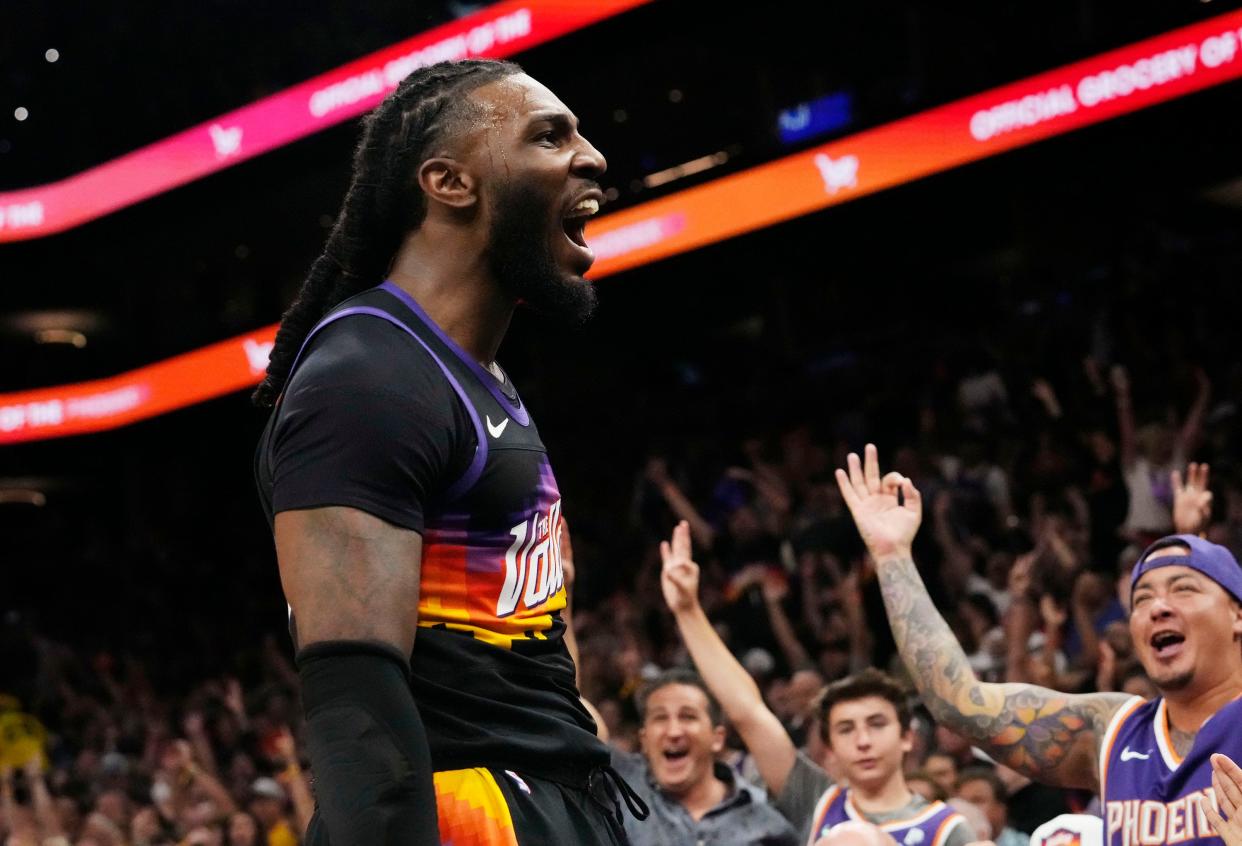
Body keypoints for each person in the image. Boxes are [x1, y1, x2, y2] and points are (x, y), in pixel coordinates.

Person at [253, 58, 645, 844]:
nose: (593, 155)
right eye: (549, 135)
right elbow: (355, 701)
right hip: (465, 818)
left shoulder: (474, 372)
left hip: (544, 801)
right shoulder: (366, 377)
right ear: (449, 183)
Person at [833, 445, 1242, 846]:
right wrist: (892, 557)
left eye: (1183, 589)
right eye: (1142, 599)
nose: (1158, 608)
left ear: (1237, 614)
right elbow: (958, 701)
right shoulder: (1112, 731)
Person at [659, 522, 971, 846]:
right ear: (830, 749)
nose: (863, 741)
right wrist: (688, 611)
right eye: (846, 729)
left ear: (907, 737)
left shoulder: (946, 829)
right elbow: (748, 713)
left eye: (876, 724)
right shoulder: (816, 802)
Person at [609, 668, 798, 845]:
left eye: (688, 716)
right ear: (644, 739)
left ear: (717, 738)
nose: (674, 731)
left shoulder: (764, 821)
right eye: (660, 718)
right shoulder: (620, 793)